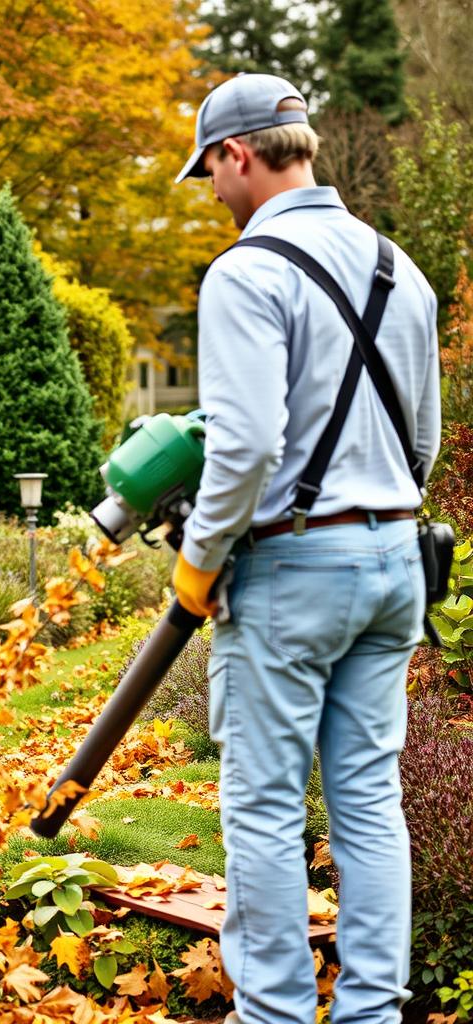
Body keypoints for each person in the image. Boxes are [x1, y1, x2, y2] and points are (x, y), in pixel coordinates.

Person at [171, 74, 440, 1024]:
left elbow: (245, 445)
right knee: (368, 799)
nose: (211, 189)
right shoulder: (402, 269)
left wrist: (200, 557)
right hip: (395, 561)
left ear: (237, 154)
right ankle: (372, 1013)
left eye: (209, 170)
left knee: (265, 809)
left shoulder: (245, 271)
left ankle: (276, 1014)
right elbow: (422, 444)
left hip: (291, 569)